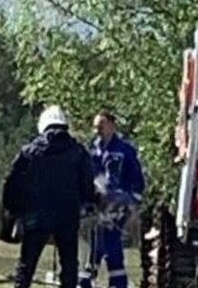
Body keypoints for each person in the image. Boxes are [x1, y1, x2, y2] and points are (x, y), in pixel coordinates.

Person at [4, 106, 97, 288]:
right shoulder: (78, 152)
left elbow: (12, 183)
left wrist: (14, 210)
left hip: (35, 216)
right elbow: (87, 185)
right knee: (69, 265)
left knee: (26, 265)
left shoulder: (29, 152)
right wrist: (87, 205)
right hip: (67, 216)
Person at [80, 112, 145, 288]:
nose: (97, 130)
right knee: (94, 243)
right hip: (96, 206)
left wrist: (131, 201)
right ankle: (87, 279)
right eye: (95, 127)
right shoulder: (91, 151)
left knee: (110, 242)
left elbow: (137, 181)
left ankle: (116, 283)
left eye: (100, 125)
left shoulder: (125, 150)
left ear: (111, 125)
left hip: (118, 206)